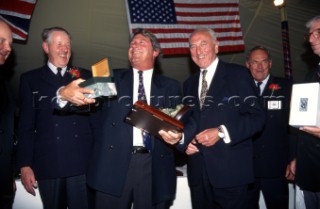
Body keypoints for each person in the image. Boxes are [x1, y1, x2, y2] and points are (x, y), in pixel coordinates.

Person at [58, 28, 183, 209]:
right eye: (132, 43)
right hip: (113, 165)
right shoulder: (111, 77)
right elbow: (81, 98)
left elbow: (178, 124)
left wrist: (177, 134)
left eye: (141, 42)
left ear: (155, 51)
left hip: (153, 167)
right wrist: (63, 95)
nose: (134, 45)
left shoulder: (170, 86)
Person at [183, 28, 265, 209]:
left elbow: (257, 118)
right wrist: (185, 140)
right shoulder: (188, 84)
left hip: (231, 174)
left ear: (216, 46)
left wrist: (221, 132)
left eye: (203, 44)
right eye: (193, 47)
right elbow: (188, 122)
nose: (198, 51)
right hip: (198, 175)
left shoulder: (238, 74)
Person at [16, 27, 94, 209]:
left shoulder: (85, 76)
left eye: (68, 45)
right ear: (46, 47)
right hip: (48, 163)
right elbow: (25, 126)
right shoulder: (30, 79)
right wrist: (25, 164)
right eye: (59, 44)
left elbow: (95, 121)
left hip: (81, 163)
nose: (65, 49)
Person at [245, 46, 292, 209]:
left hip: (276, 167)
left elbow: (294, 128)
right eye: (254, 62)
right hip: (247, 167)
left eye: (264, 62)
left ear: (270, 63)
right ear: (248, 64)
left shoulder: (286, 87)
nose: (259, 66)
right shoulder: (240, 89)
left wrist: (293, 158)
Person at [287, 15, 320, 209]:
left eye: (318, 33)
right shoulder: (311, 75)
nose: (311, 39)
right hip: (311, 171)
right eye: (310, 35)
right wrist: (299, 158)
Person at [0, 19, 15, 209]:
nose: (8, 48)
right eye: (2, 41)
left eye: (10, 43)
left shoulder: (4, 85)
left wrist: (7, 175)